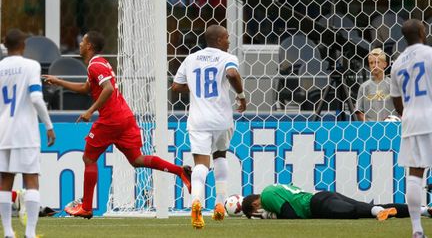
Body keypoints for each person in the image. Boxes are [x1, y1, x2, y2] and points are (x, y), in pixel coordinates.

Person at [43, 30, 191, 219]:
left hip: (111, 120)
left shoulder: (95, 65)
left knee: (89, 159)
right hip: (125, 117)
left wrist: (90, 111)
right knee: (137, 160)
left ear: (89, 46)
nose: (79, 44)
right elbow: (86, 88)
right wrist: (58, 81)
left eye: (82, 42)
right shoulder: (99, 63)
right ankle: (180, 171)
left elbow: (109, 89)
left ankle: (86, 207)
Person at [172, 24, 246, 229]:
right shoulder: (227, 58)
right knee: (220, 155)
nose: (229, 41)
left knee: (201, 164)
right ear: (220, 40)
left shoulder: (191, 58)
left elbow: (176, 86)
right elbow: (232, 75)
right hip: (222, 119)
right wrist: (241, 96)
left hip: (198, 119)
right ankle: (220, 204)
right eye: (227, 37)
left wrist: (195, 87)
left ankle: (196, 201)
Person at [0, 29, 56, 238]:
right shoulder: (31, 65)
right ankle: (30, 233)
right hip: (25, 131)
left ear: (6, 46)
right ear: (23, 46)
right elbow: (35, 98)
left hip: (3, 130)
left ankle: (7, 232)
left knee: (5, 180)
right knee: (31, 179)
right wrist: (49, 125)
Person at [390, 19, 432, 238]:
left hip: (411, 121)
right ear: (422, 32)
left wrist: (409, 113)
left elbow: (396, 102)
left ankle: (417, 230)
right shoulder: (429, 54)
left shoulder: (397, 64)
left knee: (415, 174)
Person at [242, 184, 432, 221]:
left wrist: (271, 216)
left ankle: (377, 212)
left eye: (254, 214)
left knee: (353, 212)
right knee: (366, 207)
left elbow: (291, 215)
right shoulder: (275, 187)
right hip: (322, 197)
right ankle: (424, 210)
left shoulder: (266, 195)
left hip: (317, 205)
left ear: (255, 206)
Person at [355, 48, 397, 121]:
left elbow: (402, 108)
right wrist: (369, 126)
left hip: (391, 127)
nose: (374, 65)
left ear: (385, 64)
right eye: (371, 63)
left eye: (377, 62)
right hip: (371, 129)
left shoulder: (393, 84)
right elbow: (359, 111)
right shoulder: (364, 87)